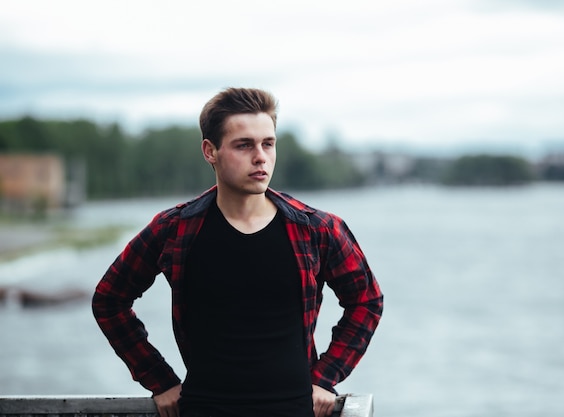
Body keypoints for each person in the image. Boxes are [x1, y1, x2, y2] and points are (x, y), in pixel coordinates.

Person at [92, 87, 383, 417]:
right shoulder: (175, 229)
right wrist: (159, 380)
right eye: (244, 145)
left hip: (293, 410)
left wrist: (326, 377)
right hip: (204, 409)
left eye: (268, 144)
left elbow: (366, 300)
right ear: (210, 151)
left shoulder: (317, 229)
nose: (260, 156)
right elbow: (109, 299)